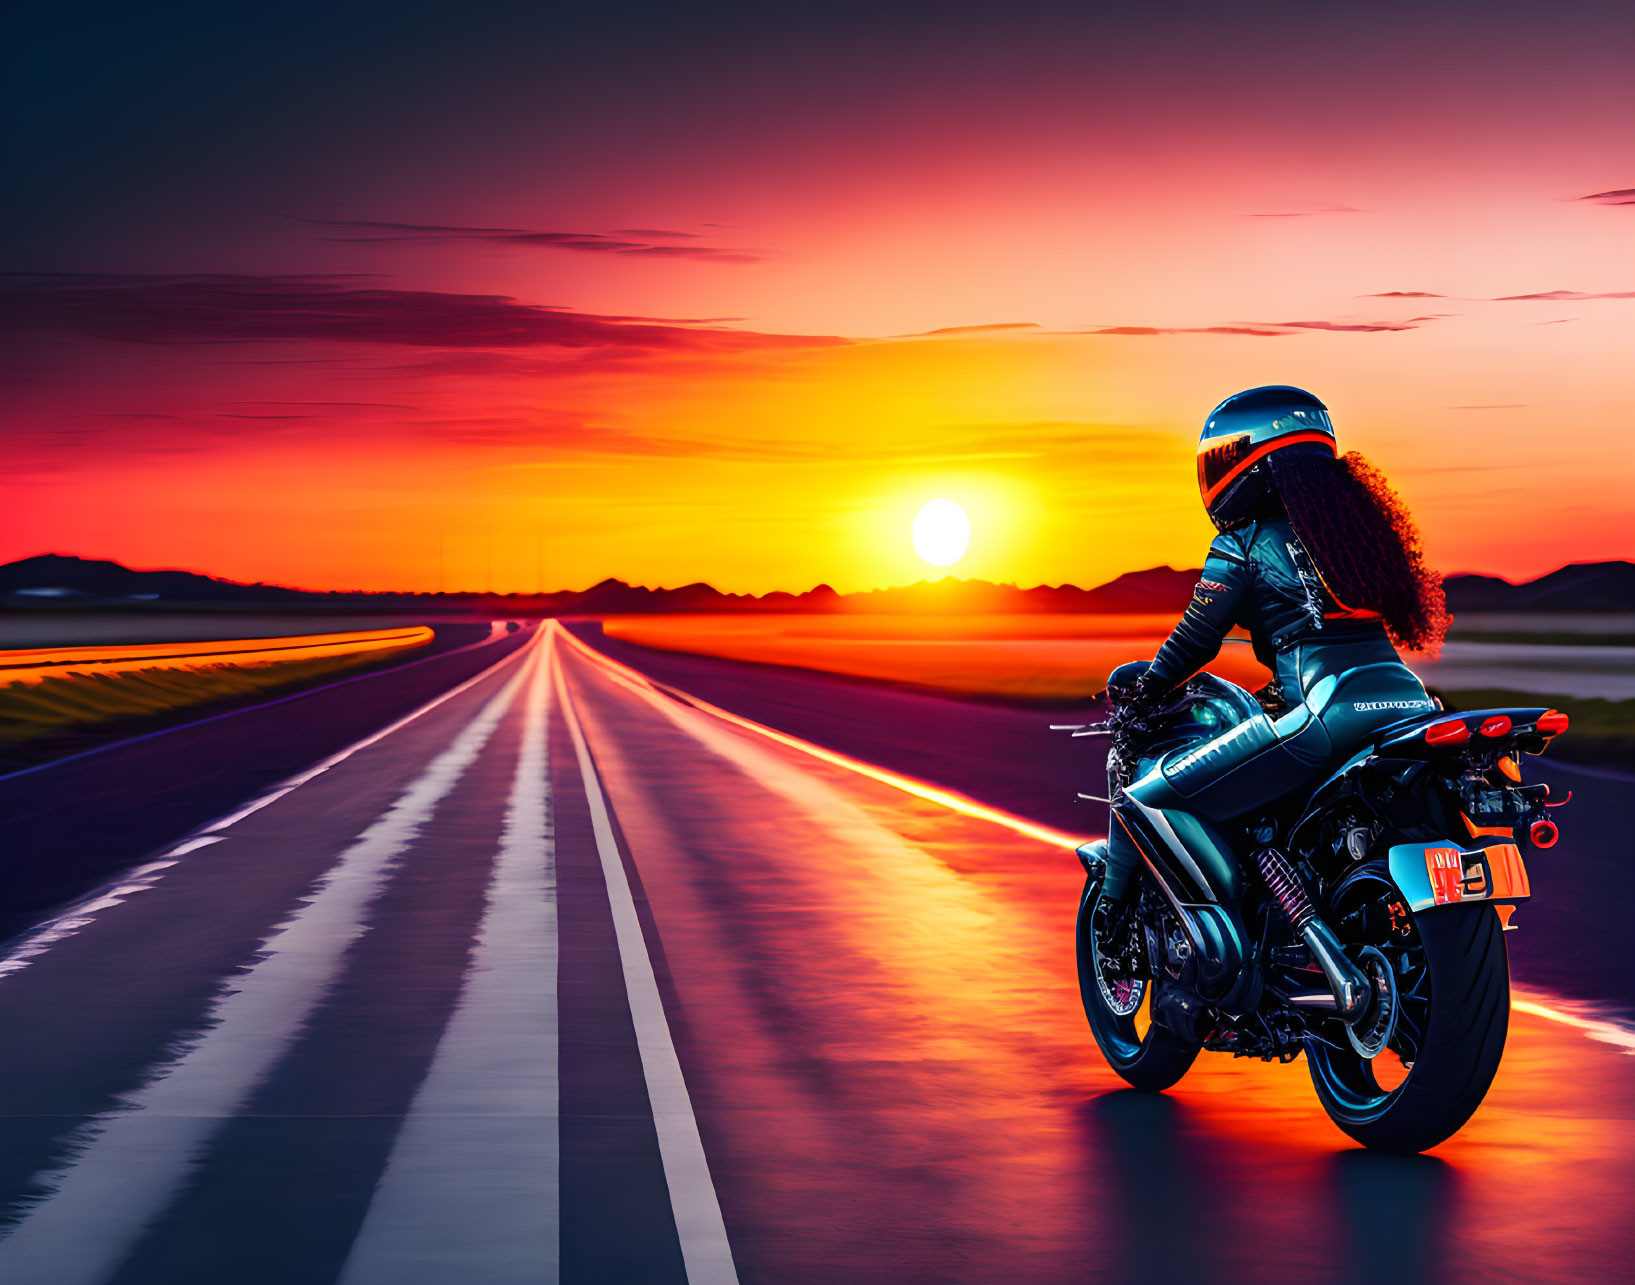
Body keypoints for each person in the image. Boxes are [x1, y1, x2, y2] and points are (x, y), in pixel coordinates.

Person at [1091, 386, 1449, 960]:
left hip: (1322, 715)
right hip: (1408, 705)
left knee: (1145, 800)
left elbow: (1196, 639)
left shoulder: (1245, 540)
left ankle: (1228, 951)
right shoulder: (1352, 538)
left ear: (1240, 462)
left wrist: (1148, 687)